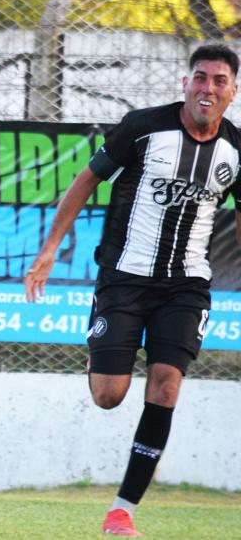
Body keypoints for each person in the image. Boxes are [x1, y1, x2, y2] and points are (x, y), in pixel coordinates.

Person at [24, 44, 240, 537]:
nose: (207, 88)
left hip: (187, 285)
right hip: (124, 276)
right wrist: (50, 248)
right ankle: (102, 355)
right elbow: (85, 181)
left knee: (166, 384)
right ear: (185, 83)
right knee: (109, 395)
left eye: (218, 81)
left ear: (233, 90)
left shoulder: (236, 151)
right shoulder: (142, 128)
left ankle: (122, 511)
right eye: (200, 77)